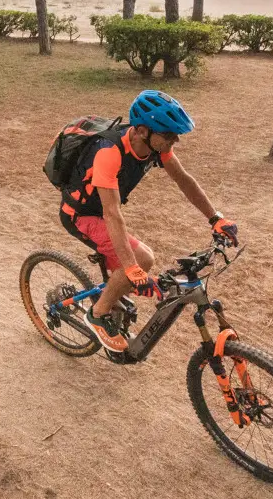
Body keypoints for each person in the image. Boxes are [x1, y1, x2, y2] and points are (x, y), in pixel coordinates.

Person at [59, 89, 238, 353]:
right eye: (168, 135)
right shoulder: (109, 152)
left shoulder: (156, 148)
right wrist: (132, 267)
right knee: (142, 259)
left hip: (102, 213)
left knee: (132, 269)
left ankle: (111, 297)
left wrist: (215, 218)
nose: (174, 140)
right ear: (143, 131)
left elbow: (184, 180)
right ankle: (97, 314)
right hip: (81, 215)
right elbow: (111, 213)